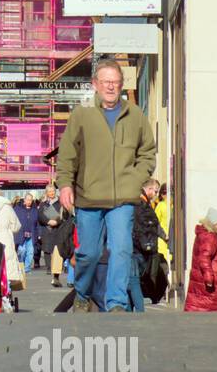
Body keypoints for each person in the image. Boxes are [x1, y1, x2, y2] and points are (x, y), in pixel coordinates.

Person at [54, 59, 157, 313]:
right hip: (89, 197)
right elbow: (67, 154)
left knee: (121, 249)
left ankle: (116, 303)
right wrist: (65, 184)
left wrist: (135, 180)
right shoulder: (82, 114)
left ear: (122, 84)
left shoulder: (135, 116)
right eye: (106, 82)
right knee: (88, 253)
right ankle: (82, 293)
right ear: (95, 84)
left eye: (115, 82)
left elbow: (148, 152)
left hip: (123, 198)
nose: (111, 87)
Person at [132, 178, 165, 310]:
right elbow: (149, 225)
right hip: (139, 248)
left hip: (140, 247)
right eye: (155, 191)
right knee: (135, 279)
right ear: (149, 189)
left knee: (136, 278)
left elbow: (154, 224)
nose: (156, 195)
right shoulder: (141, 204)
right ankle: (139, 309)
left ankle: (132, 308)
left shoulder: (144, 203)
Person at [15, 193, 39, 277]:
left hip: (31, 234)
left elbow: (37, 223)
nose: (29, 201)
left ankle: (27, 268)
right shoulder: (18, 209)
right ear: (24, 200)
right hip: (21, 234)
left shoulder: (35, 210)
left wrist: (39, 233)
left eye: (31, 200)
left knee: (30, 252)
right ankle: (21, 265)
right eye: (28, 200)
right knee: (22, 251)